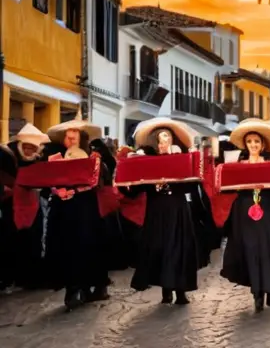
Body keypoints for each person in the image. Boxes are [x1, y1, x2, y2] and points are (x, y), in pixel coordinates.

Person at [123, 117, 210, 305]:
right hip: (157, 211)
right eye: (161, 139)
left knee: (179, 249)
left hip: (178, 210)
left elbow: (192, 185)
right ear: (155, 141)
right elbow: (134, 190)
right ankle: (166, 290)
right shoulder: (147, 161)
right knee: (161, 249)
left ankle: (180, 291)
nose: (165, 142)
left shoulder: (180, 157)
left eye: (168, 138)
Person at [221, 119, 270, 311]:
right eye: (250, 141)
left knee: (268, 249)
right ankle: (257, 292)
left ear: (263, 145)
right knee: (251, 250)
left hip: (268, 212)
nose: (253, 145)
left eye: (256, 142)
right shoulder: (237, 165)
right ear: (245, 144)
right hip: (245, 213)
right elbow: (226, 188)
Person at [44, 119, 112, 310]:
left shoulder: (94, 159)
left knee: (87, 245)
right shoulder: (55, 159)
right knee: (65, 247)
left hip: (85, 210)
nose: (70, 137)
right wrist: (58, 191)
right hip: (63, 210)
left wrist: (78, 190)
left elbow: (98, 182)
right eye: (67, 134)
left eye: (74, 134)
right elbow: (48, 182)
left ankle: (89, 286)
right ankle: (72, 288)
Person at [0, 124, 50, 290]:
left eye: (32, 148)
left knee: (32, 240)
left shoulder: (38, 161)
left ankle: (29, 278)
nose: (28, 151)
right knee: (10, 240)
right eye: (26, 147)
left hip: (33, 205)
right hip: (11, 205)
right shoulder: (9, 159)